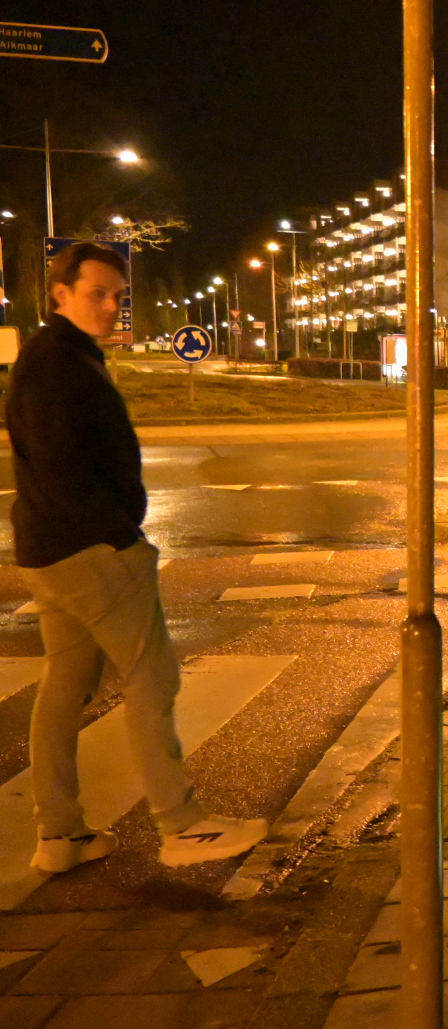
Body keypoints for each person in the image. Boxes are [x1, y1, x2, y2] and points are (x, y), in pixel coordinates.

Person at [7, 242, 269, 874]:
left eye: (118, 296)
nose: (109, 306)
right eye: (96, 293)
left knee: (64, 688)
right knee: (153, 677)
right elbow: (66, 463)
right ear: (60, 294)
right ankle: (181, 826)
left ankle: (60, 835)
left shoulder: (55, 357)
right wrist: (120, 534)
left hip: (50, 550)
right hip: (92, 551)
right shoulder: (58, 365)